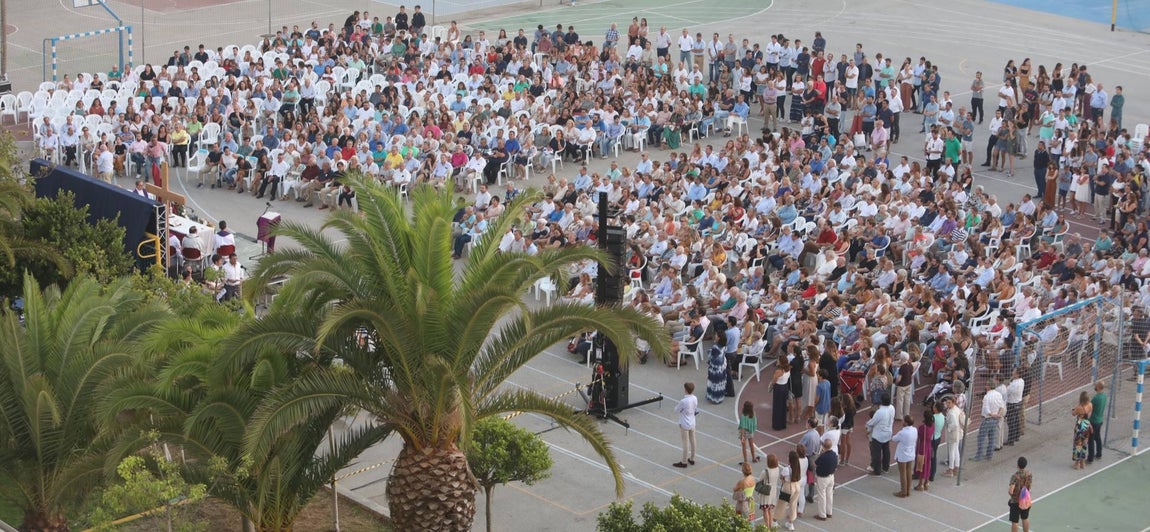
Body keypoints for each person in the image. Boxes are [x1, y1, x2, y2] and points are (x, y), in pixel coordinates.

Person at [972, 380, 1006, 462]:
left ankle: (978, 456)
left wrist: (993, 415)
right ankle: (989, 455)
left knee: (981, 438)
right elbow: (1002, 406)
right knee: (992, 437)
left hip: (987, 419)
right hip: (995, 420)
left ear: (988, 386)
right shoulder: (998, 394)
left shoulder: (987, 397)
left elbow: (987, 410)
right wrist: (998, 415)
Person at [866, 391, 894, 475]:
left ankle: (877, 470)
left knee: (876, 453)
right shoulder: (892, 408)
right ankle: (886, 467)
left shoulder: (880, 411)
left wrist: (867, 424)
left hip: (878, 435)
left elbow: (873, 422)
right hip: (888, 432)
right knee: (886, 451)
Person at [891, 414, 917, 498]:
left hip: (903, 454)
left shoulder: (903, 432)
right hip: (911, 453)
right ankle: (908, 490)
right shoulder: (914, 430)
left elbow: (894, 438)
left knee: (903, 473)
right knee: (909, 471)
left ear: (905, 422)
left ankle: (903, 491)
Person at [673, 382, 698, 468]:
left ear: (686, 390)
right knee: (693, 440)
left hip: (684, 423)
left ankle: (684, 462)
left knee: (685, 442)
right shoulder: (695, 398)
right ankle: (692, 458)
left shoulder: (683, 401)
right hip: (692, 422)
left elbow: (676, 410)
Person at [812, 438, 837, 521]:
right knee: (829, 494)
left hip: (823, 478)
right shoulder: (834, 454)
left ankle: (822, 514)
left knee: (822, 495)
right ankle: (829, 512)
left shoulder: (823, 456)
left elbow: (815, 464)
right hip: (831, 476)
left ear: (823, 446)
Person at [942, 395, 966, 477]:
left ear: (953, 402)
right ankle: (956, 467)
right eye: (947, 402)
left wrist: (948, 429)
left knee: (951, 451)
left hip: (953, 433)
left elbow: (954, 424)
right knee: (956, 450)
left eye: (949, 403)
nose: (947, 404)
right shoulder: (957, 409)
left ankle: (950, 470)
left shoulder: (951, 412)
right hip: (958, 433)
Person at [1008, 456, 1033, 532]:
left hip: (1016, 501)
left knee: (1015, 521)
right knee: (1025, 518)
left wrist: (1011, 494)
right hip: (1025, 500)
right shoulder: (1029, 474)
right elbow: (1030, 486)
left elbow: (1011, 491)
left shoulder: (1015, 476)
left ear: (1017, 465)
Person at [755, 454, 781, 528]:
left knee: (765, 510)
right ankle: (770, 524)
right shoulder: (777, 469)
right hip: (773, 492)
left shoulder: (765, 471)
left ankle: (767, 525)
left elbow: (759, 480)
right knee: (770, 510)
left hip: (766, 492)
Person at [778, 451, 801, 531]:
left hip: (788, 486)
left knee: (781, 504)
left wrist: (784, 481)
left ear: (790, 459)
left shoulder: (786, 469)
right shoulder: (798, 467)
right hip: (797, 486)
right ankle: (790, 523)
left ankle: (774, 520)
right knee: (793, 505)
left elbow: (781, 477)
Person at [914, 410, 934, 492]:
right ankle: (926, 482)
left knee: (921, 464)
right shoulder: (933, 425)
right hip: (929, 446)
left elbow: (919, 436)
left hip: (922, 446)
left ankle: (920, 484)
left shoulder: (922, 427)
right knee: (928, 463)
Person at [1072, 391, 1092, 469]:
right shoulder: (1090, 405)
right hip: (1086, 425)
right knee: (1084, 444)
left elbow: (1073, 413)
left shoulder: (1079, 408)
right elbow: (1089, 414)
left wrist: (1074, 409)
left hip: (1079, 426)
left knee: (1078, 445)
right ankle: (1082, 462)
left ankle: (1077, 463)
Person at [705, 334, 728, 403]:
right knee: (720, 383)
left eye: (716, 335)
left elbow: (711, 357)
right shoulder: (724, 346)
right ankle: (719, 398)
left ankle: (714, 398)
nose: (715, 335)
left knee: (714, 383)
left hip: (715, 368)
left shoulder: (715, 347)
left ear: (719, 338)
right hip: (722, 367)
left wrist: (709, 351)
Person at [1088, 381, 1107, 464]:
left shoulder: (1096, 398)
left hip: (1093, 421)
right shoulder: (1104, 396)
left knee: (1091, 440)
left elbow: (1089, 406)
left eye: (1096, 386)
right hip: (1100, 420)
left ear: (1098, 387)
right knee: (1097, 437)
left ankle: (1090, 458)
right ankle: (1099, 453)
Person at [771, 355, 791, 430]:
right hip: (785, 387)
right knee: (783, 406)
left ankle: (777, 425)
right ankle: (783, 423)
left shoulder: (779, 371)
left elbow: (774, 381)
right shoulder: (788, 368)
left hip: (779, 388)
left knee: (777, 407)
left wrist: (770, 386)